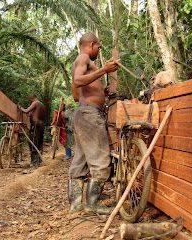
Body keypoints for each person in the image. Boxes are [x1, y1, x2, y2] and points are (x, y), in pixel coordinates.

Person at [68, 32, 119, 214]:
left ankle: (75, 204)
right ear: (91, 44)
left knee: (81, 159)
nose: (98, 50)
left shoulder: (78, 62)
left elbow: (76, 95)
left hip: (82, 113)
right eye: (98, 47)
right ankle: (92, 204)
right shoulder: (83, 57)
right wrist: (104, 70)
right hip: (90, 115)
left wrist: (100, 92)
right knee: (100, 158)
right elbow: (78, 80)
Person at [20, 94, 45, 167]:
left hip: (36, 124)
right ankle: (39, 161)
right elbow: (30, 113)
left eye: (30, 100)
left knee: (33, 142)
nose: (30, 102)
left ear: (32, 98)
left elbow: (26, 110)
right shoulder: (41, 105)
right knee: (39, 142)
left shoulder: (35, 103)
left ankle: (34, 162)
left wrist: (20, 108)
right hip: (42, 125)